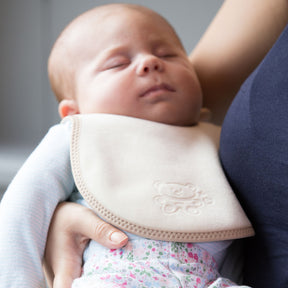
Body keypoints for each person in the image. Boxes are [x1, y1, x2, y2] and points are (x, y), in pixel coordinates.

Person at [0, 3, 254, 288]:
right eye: (117, 63)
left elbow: (234, 237)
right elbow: (21, 209)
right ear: (74, 111)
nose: (150, 62)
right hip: (115, 278)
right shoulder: (76, 134)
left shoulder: (216, 142)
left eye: (168, 54)